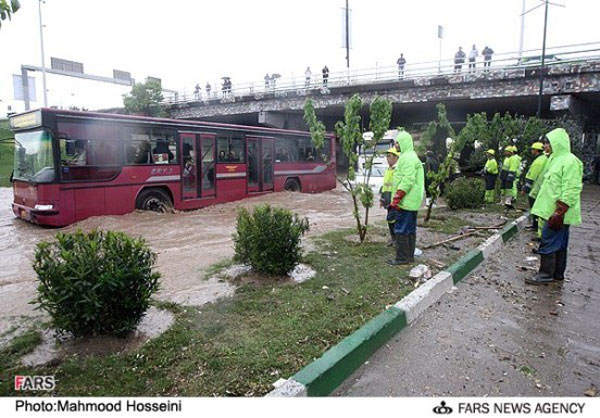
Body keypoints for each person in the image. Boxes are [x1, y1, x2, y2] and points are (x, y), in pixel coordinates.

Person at [527, 128, 583, 284]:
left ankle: (545, 273)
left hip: (557, 213)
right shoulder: (554, 159)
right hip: (554, 212)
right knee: (560, 244)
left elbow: (572, 188)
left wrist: (560, 211)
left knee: (549, 241)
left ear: (557, 143)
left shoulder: (569, 161)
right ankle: (558, 273)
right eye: (545, 143)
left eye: (548, 143)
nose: (545, 146)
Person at [387, 131, 425, 265]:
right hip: (411, 201)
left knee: (401, 229)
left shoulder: (407, 158)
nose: (396, 144)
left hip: (406, 201)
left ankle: (401, 258)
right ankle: (409, 257)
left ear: (404, 143)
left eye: (397, 142)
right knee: (410, 230)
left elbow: (408, 180)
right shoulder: (410, 156)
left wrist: (397, 198)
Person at [521, 142, 548, 230]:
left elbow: (531, 177)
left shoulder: (538, 161)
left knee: (535, 208)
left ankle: (535, 226)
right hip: (541, 188)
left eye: (532, 149)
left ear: (536, 150)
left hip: (535, 189)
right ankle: (536, 226)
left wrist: (525, 189)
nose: (531, 151)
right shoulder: (545, 159)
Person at [380, 148, 401, 246]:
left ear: (396, 157)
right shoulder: (388, 170)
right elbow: (385, 185)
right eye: (387, 156)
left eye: (390, 156)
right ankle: (394, 239)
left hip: (396, 200)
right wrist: (382, 198)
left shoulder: (398, 169)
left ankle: (397, 239)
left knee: (392, 219)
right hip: (388, 199)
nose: (387, 159)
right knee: (390, 219)